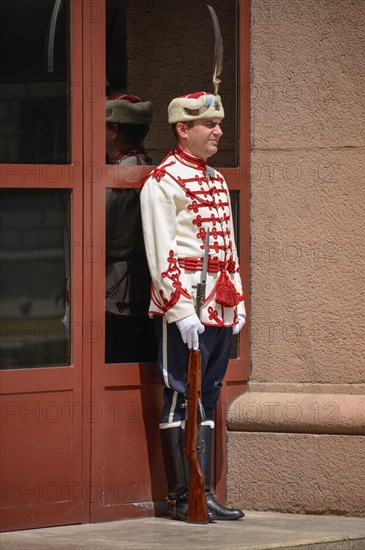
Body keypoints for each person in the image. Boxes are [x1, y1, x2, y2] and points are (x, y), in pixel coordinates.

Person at [140, 91, 246, 522]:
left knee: (211, 390)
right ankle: (184, 495)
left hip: (218, 304)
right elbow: (160, 249)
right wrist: (179, 308)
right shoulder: (163, 181)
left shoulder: (216, 180)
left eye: (219, 124)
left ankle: (205, 491)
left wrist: (237, 300)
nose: (219, 131)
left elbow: (229, 247)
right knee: (180, 394)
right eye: (209, 125)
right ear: (183, 129)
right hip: (185, 304)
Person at [105, 94, 157, 363]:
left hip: (113, 289)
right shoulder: (156, 169)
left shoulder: (115, 176)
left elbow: (97, 235)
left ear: (114, 130)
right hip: (150, 287)